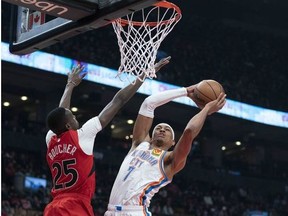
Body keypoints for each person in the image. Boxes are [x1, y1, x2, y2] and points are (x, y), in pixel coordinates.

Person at [44, 57, 170, 216]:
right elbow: (118, 100)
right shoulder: (83, 135)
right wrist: (143, 75)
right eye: (74, 117)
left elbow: (60, 113)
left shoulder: (51, 138)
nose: (76, 118)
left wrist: (70, 85)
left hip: (53, 206)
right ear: (69, 125)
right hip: (74, 205)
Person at [105, 84, 226, 216]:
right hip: (110, 211)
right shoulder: (139, 144)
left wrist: (207, 108)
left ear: (173, 142)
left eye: (167, 129)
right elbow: (148, 103)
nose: (162, 129)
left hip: (135, 212)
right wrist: (185, 91)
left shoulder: (169, 160)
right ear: (151, 137)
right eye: (158, 128)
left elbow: (189, 131)